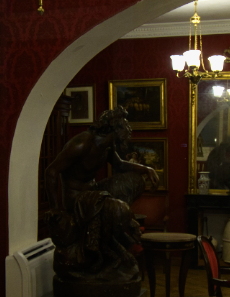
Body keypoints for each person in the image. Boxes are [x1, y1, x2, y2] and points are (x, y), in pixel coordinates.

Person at [44, 108, 159, 284]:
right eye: (125, 128)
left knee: (135, 181)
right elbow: (51, 171)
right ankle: (104, 248)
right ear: (115, 128)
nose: (129, 132)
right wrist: (55, 209)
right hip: (77, 199)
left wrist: (147, 169)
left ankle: (115, 226)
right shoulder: (82, 143)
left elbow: (120, 165)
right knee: (117, 208)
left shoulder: (107, 146)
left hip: (94, 191)